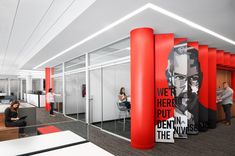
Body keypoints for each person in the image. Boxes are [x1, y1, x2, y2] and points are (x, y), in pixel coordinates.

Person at [166, 43, 207, 137]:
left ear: (201, 79)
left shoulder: (205, 115)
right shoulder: (164, 116)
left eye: (194, 78)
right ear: (169, 79)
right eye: (180, 77)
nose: (187, 88)